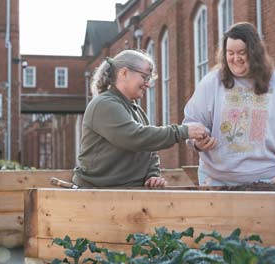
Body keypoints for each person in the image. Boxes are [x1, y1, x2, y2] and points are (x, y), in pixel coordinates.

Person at [183, 22, 275, 186]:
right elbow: (193, 120)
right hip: (216, 181)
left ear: (255, 53)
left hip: (266, 180)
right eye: (230, 53)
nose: (236, 58)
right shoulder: (211, 82)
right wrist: (198, 140)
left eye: (242, 52)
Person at [73, 50, 208, 188]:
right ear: (124, 73)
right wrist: (182, 131)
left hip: (123, 193)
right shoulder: (104, 104)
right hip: (97, 195)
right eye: (144, 77)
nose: (148, 84)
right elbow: (135, 137)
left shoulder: (136, 110)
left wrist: (152, 175)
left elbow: (149, 150)